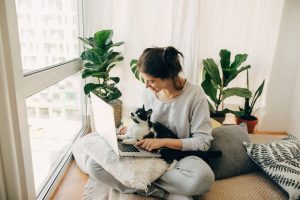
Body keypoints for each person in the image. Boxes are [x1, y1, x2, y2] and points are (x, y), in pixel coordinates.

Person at [86, 46, 214, 200]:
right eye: (145, 81)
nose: (147, 85)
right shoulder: (149, 92)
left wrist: (162, 142)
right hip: (149, 153)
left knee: (203, 179)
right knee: (94, 166)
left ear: (169, 75)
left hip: (179, 157)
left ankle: (139, 182)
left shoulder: (195, 95)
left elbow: (203, 142)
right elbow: (147, 124)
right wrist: (132, 129)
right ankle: (166, 193)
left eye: (151, 81)